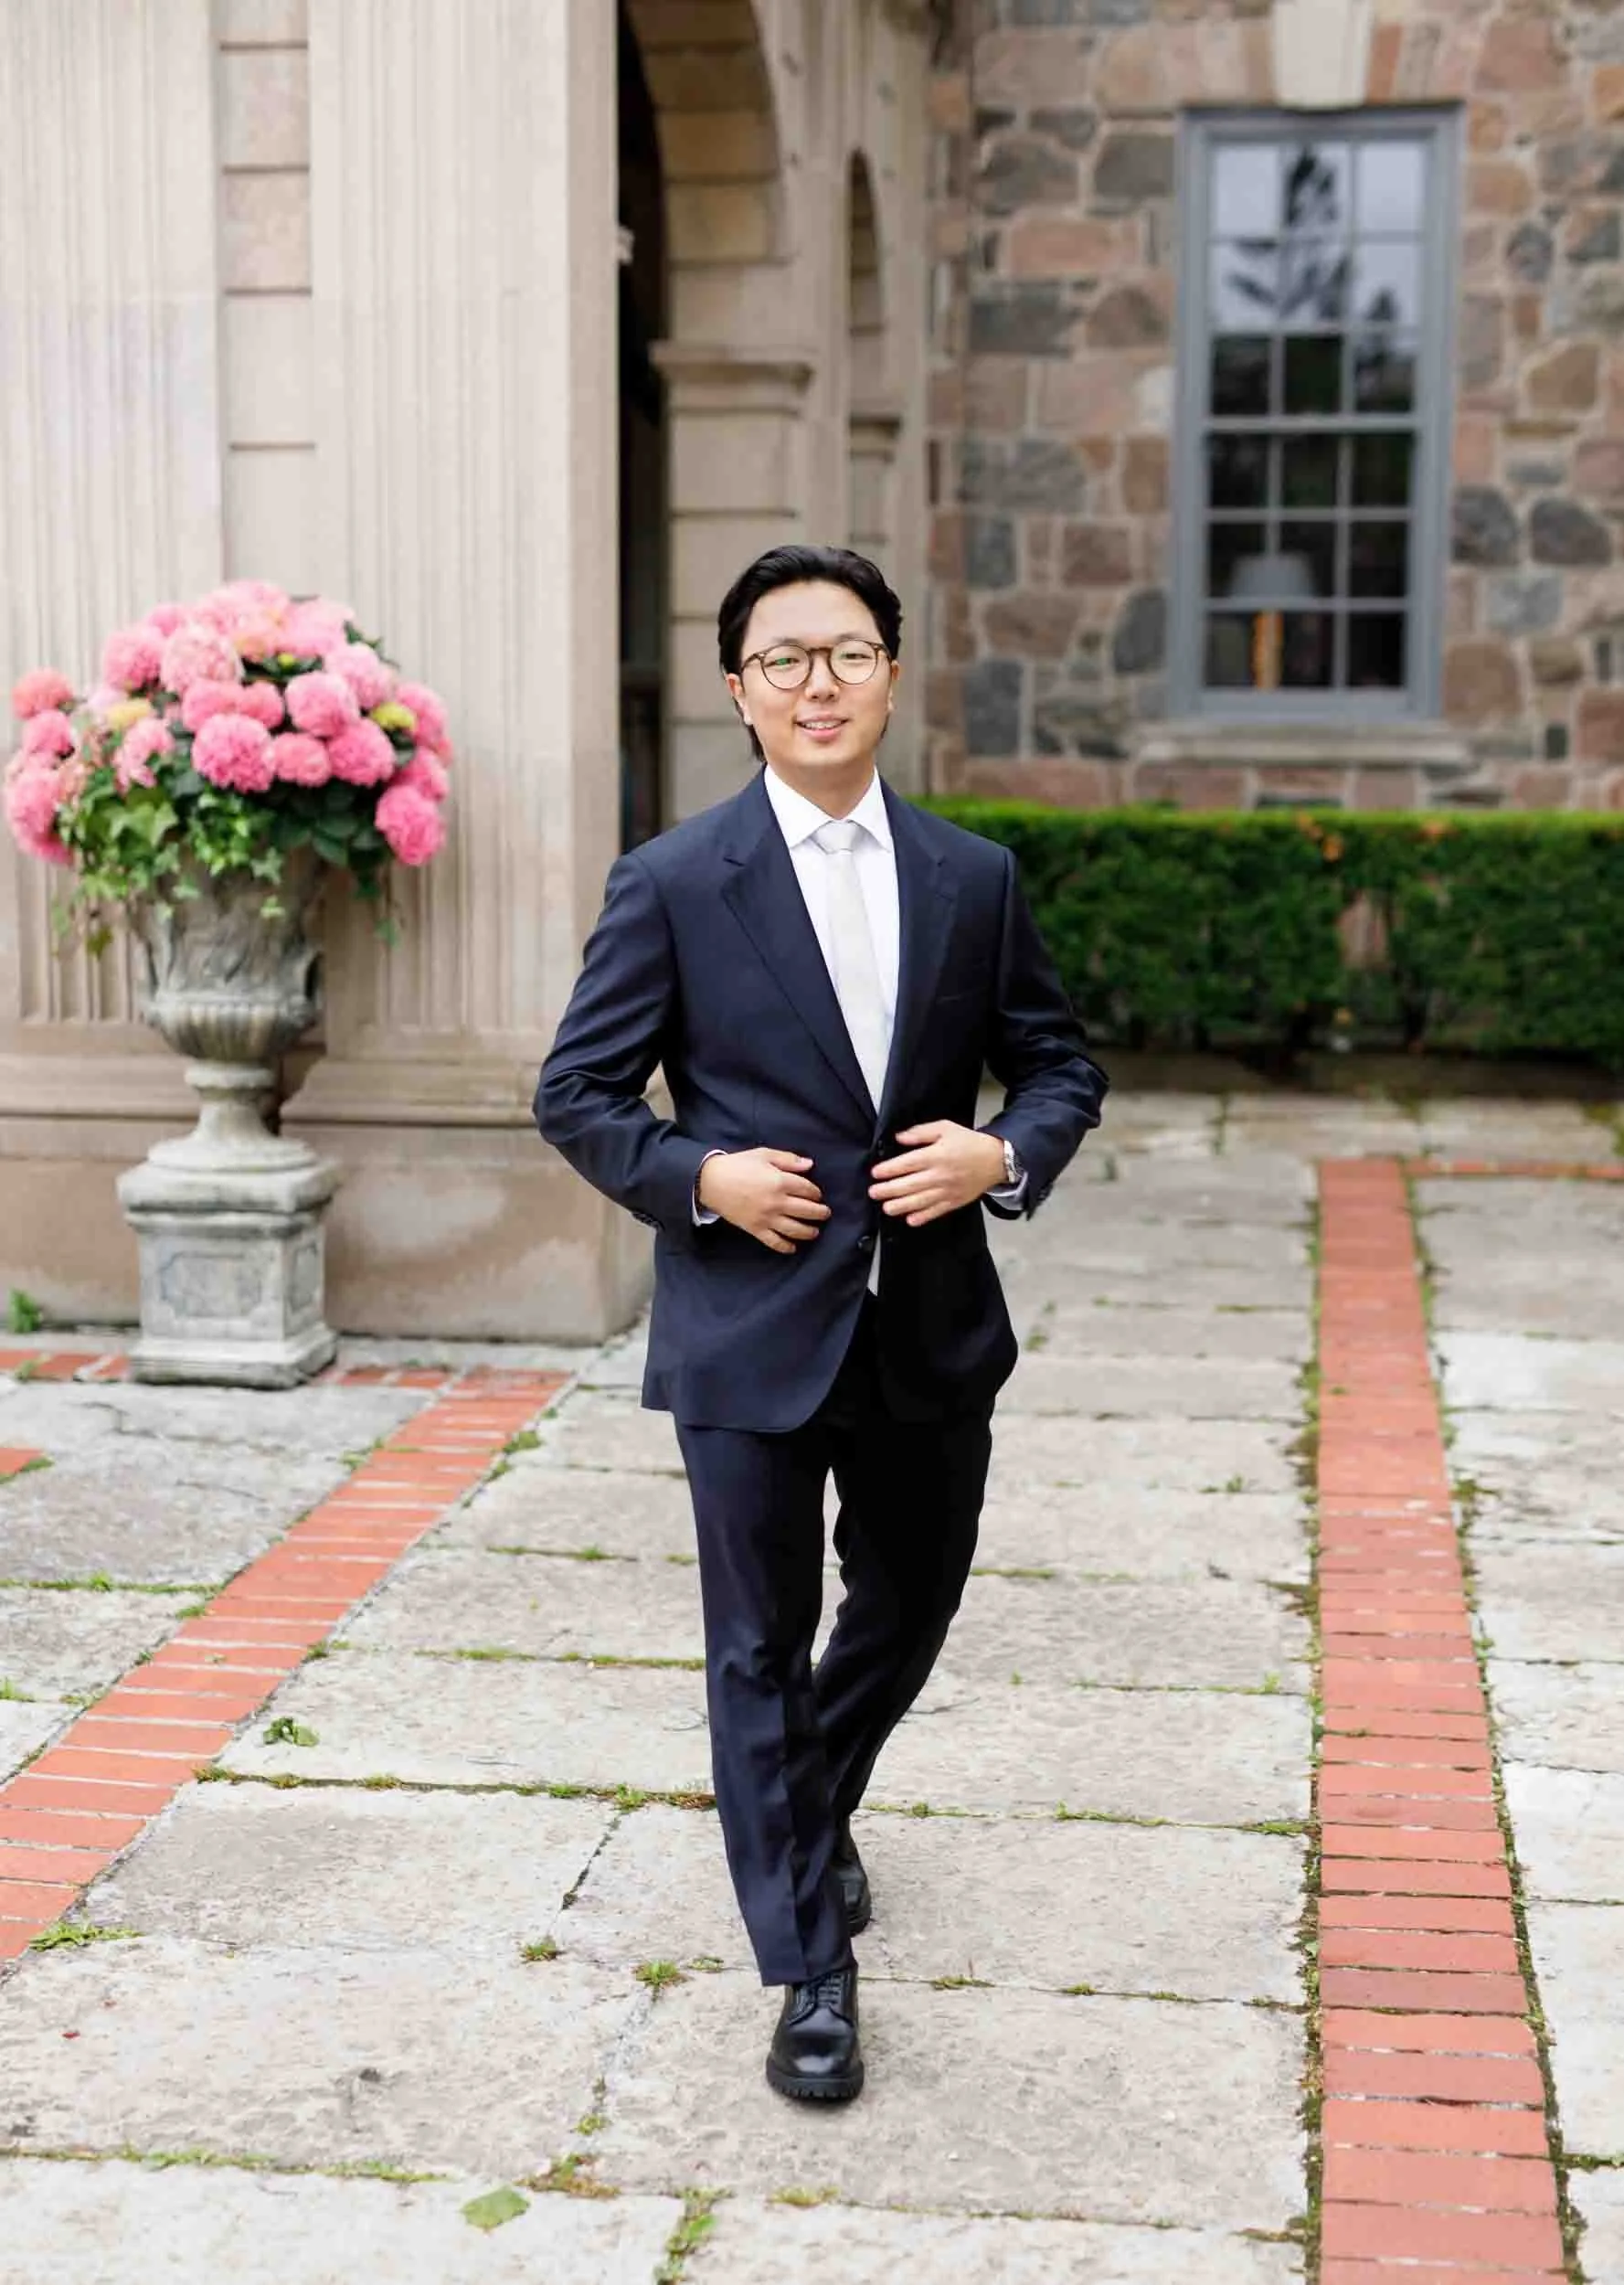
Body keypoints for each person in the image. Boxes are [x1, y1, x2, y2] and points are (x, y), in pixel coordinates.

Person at [535, 545, 1106, 2103]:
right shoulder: (670, 882)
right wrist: (702, 1177)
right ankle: (808, 1976)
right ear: (740, 691)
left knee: (910, 1601)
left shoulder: (972, 880)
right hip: (746, 1331)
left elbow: (1059, 1067)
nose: (817, 682)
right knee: (755, 1650)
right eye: (783, 659)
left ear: (891, 676)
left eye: (845, 653)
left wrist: (1004, 1154)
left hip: (927, 1323)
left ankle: (806, 1805)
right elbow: (575, 1097)